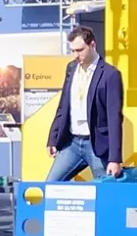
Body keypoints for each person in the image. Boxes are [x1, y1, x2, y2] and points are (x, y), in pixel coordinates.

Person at [46, 22, 121, 182]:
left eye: (80, 50)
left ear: (92, 45)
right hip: (72, 142)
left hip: (96, 145)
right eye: (72, 50)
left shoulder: (110, 74)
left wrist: (115, 158)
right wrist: (53, 137)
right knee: (51, 185)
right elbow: (63, 105)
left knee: (106, 191)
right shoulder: (71, 68)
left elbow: (114, 118)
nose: (75, 55)